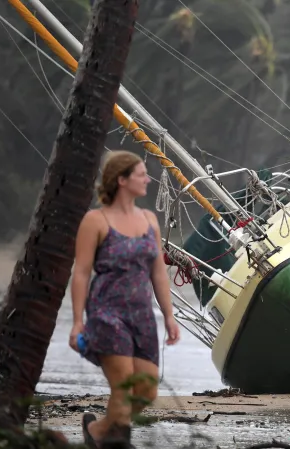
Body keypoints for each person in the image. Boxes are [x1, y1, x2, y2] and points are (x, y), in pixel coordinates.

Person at [69, 150, 180, 448]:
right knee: (123, 384)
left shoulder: (149, 220)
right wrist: (78, 322)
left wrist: (169, 315)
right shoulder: (96, 220)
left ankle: (99, 431)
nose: (148, 179)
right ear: (121, 180)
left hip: (142, 315)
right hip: (107, 313)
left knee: (146, 390)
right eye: (141, 174)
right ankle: (119, 442)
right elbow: (80, 273)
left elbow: (158, 273)